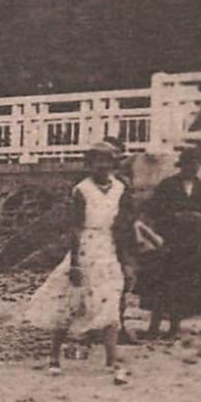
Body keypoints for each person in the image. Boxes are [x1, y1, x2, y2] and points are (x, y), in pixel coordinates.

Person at [48, 141, 136, 383]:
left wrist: (126, 260)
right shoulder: (82, 190)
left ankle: (111, 360)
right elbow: (75, 228)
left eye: (107, 160)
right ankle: (54, 356)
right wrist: (75, 262)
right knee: (72, 302)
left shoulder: (120, 188)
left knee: (110, 301)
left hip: (109, 248)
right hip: (86, 247)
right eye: (98, 161)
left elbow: (124, 227)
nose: (103, 165)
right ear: (89, 164)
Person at [139, 145, 201, 339]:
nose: (193, 167)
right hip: (169, 243)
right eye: (189, 163)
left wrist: (200, 217)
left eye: (197, 163)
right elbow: (154, 211)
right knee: (162, 286)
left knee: (183, 287)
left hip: (192, 245)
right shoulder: (167, 185)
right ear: (182, 164)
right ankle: (153, 327)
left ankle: (174, 327)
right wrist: (175, 216)